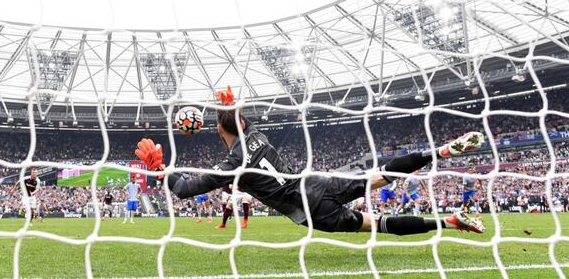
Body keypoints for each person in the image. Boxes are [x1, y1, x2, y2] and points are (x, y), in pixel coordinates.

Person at [134, 85, 486, 235]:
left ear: (217, 130)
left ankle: (452, 221)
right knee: (379, 175)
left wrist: (161, 171)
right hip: (316, 180)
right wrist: (230, 107)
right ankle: (438, 151)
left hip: (310, 210)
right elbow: (239, 124)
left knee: (376, 225)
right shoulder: (257, 135)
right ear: (242, 121)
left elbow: (184, 189)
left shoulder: (230, 166)